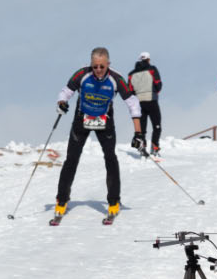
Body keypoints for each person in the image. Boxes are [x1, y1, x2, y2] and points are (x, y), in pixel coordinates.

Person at [53, 47, 144, 221]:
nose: (99, 70)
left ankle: (114, 201)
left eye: (102, 66)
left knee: (110, 158)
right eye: (95, 66)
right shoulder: (82, 74)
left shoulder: (116, 79)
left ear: (108, 64)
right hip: (82, 120)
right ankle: (61, 200)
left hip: (105, 121)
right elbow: (66, 91)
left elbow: (133, 103)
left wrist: (138, 133)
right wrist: (62, 102)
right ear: (91, 64)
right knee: (71, 159)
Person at [127, 52, 163, 154]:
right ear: (148, 59)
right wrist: (155, 92)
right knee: (157, 126)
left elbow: (130, 90)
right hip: (151, 101)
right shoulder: (152, 69)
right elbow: (158, 84)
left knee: (142, 128)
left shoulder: (131, 74)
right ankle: (154, 147)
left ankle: (142, 148)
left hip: (139, 103)